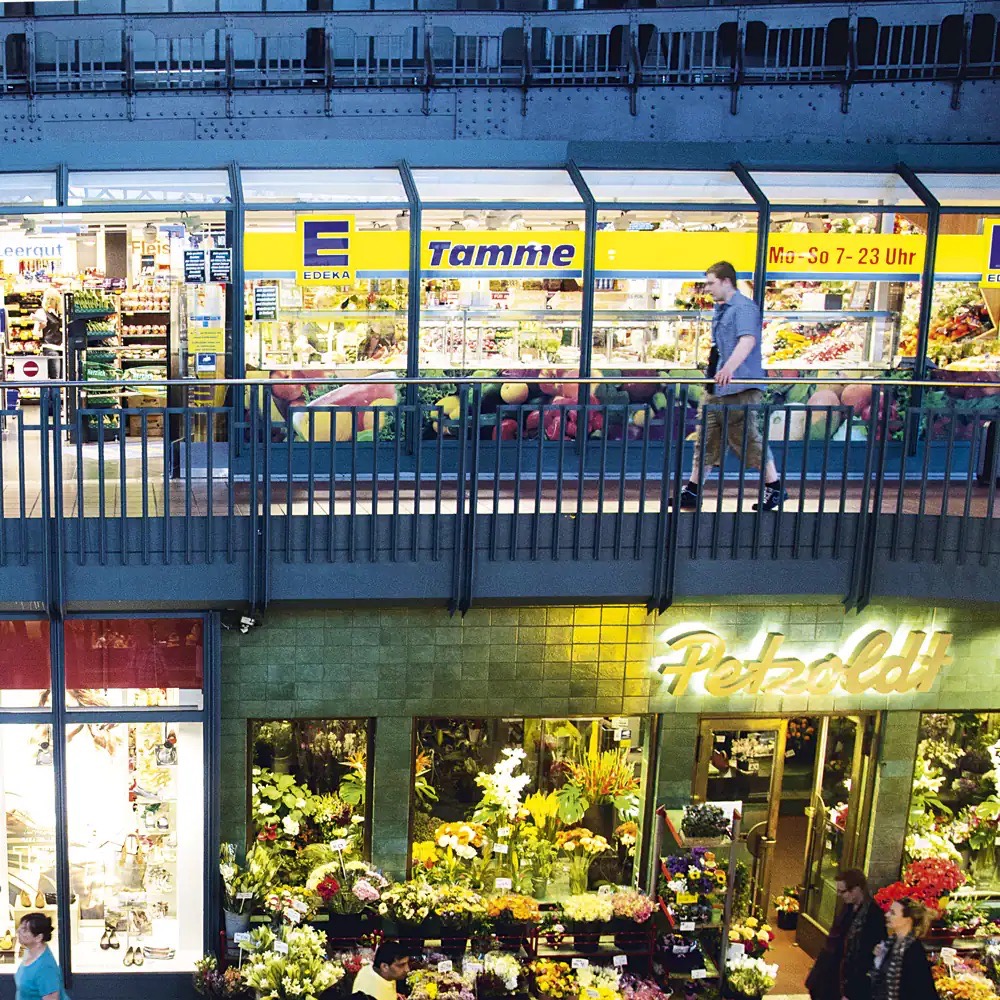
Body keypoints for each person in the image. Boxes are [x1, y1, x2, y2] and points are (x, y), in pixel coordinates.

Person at [674, 261, 786, 511]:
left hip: (739, 387)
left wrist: (729, 369)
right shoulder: (722, 309)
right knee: (707, 438)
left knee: (747, 438)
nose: (707, 289)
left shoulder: (744, 308)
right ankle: (692, 490)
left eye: (711, 283)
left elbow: (747, 341)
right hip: (718, 387)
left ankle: (775, 487)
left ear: (726, 282)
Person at [805, 870, 885, 1000]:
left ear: (857, 889)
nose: (839, 895)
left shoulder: (873, 915)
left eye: (843, 891)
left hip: (852, 975)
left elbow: (867, 953)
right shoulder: (848, 907)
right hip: (833, 968)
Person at [870, 898, 938, 1000]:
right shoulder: (889, 944)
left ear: (907, 919)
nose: (886, 915)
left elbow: (921, 989)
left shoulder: (914, 950)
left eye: (892, 913)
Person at [14, 913, 69, 1000]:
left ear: (38, 937)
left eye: (24, 930)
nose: (18, 931)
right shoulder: (29, 950)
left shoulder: (46, 968)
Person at [33, 289, 64, 380]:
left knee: (62, 377)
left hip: (61, 347)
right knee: (55, 377)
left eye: (53, 299)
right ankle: (54, 394)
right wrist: (40, 327)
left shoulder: (60, 314)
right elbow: (36, 333)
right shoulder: (41, 312)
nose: (50, 301)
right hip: (50, 347)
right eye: (48, 299)